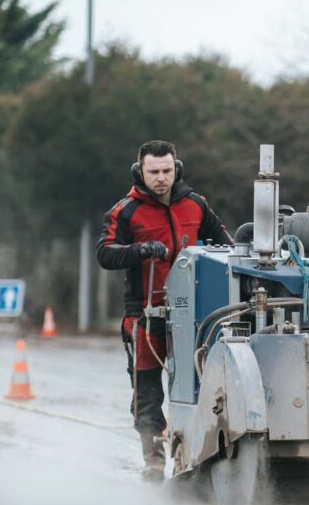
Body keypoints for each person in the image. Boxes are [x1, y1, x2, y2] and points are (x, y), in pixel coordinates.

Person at [97, 140, 231, 481]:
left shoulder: (196, 205)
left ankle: (200, 454)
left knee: (203, 383)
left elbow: (227, 246)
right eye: (153, 171)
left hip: (195, 314)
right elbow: (106, 253)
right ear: (139, 172)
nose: (161, 178)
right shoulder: (125, 211)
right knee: (147, 388)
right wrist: (140, 250)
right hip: (145, 314)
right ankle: (153, 459)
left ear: (178, 169)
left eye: (167, 171)